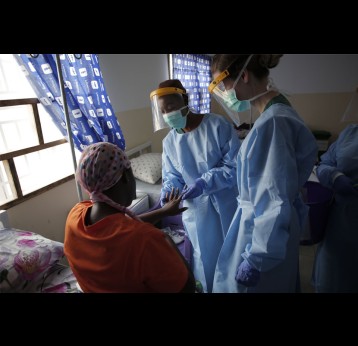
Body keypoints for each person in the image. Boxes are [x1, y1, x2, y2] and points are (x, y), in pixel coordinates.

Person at [209, 54, 318, 293]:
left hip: (261, 236)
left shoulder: (273, 123)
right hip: (266, 230)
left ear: (244, 76)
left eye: (223, 86)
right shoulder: (276, 111)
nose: (225, 95)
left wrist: (257, 257)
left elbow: (273, 199)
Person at [64, 141, 196, 293]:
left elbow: (120, 229)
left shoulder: (76, 215)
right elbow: (187, 288)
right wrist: (167, 241)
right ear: (126, 177)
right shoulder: (146, 240)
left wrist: (163, 212)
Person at [149, 79, 241, 293]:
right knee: (203, 256)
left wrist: (204, 182)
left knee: (229, 253)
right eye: (163, 111)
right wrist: (167, 193)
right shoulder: (170, 141)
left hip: (225, 203)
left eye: (171, 107)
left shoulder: (217, 125)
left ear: (185, 100)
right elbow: (171, 175)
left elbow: (234, 166)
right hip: (196, 210)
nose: (168, 114)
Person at [312, 123, 358, 292]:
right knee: (332, 278)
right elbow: (324, 164)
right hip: (342, 222)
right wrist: (334, 175)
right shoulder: (351, 132)